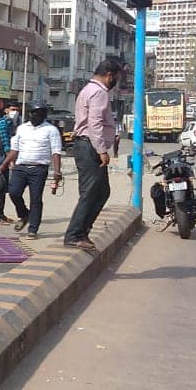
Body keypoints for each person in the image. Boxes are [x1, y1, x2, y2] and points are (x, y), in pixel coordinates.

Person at [65, 59, 123, 251]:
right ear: (109, 75)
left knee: (101, 191)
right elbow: (94, 123)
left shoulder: (88, 90)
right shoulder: (99, 92)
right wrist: (102, 150)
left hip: (86, 144)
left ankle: (82, 231)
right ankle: (75, 234)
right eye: (116, 77)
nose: (116, 82)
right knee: (90, 192)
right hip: (90, 145)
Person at [0, 99, 63, 240]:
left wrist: (57, 172)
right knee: (14, 192)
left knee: (36, 199)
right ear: (30, 114)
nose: (37, 115)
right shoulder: (22, 129)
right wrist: (4, 164)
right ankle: (24, 215)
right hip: (21, 167)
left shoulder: (51, 130)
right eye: (35, 112)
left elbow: (56, 152)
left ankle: (33, 229)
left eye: (41, 113)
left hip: (39, 169)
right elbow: (15, 149)